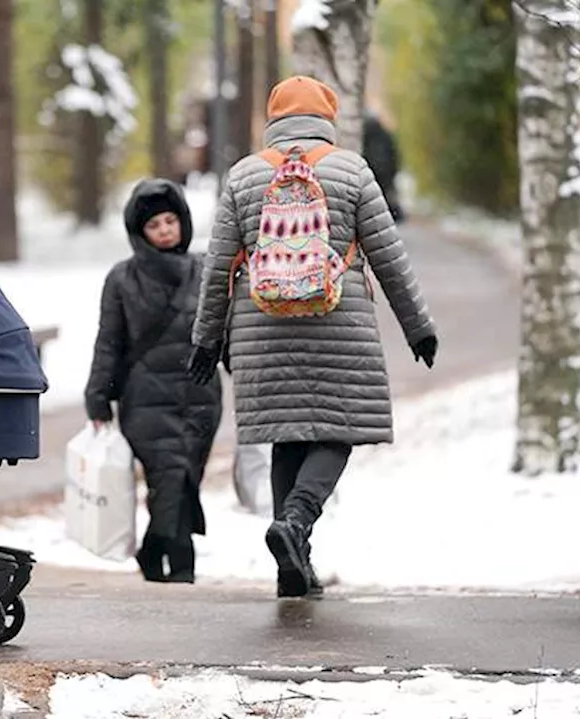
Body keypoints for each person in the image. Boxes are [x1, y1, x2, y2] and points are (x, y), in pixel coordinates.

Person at [187, 76, 438, 598]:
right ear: (327, 116)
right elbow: (389, 254)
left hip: (261, 324)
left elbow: (217, 267)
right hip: (338, 320)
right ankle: (296, 524)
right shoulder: (351, 170)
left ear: (273, 119)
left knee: (288, 435)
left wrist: (206, 339)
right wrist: (418, 328)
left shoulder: (244, 176)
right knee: (337, 429)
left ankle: (292, 565)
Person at [84, 179, 223, 583]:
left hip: (200, 401)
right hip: (145, 401)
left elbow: (225, 333)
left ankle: (151, 553)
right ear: (139, 233)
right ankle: (182, 573)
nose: (164, 230)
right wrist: (97, 397)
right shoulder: (122, 279)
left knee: (182, 483)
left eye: (169, 220)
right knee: (171, 482)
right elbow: (108, 342)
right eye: (153, 225)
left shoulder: (206, 270)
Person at [362, 111, 404, 223]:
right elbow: (394, 155)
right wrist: (393, 173)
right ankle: (385, 222)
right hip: (386, 175)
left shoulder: (366, 136)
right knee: (384, 200)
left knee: (371, 201)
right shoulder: (386, 135)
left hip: (371, 173)